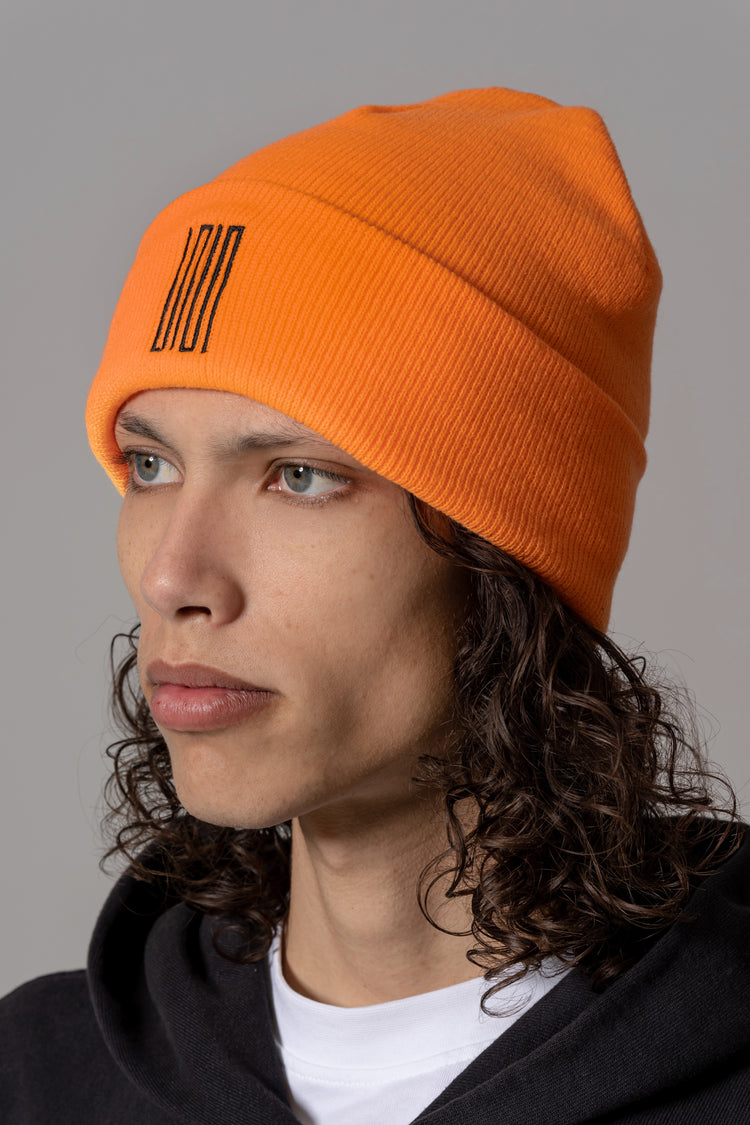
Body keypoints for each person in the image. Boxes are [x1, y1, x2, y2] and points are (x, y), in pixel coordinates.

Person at [1, 87, 748, 1125]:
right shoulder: (37, 1078)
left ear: (509, 552)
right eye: (151, 465)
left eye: (299, 476)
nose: (173, 577)